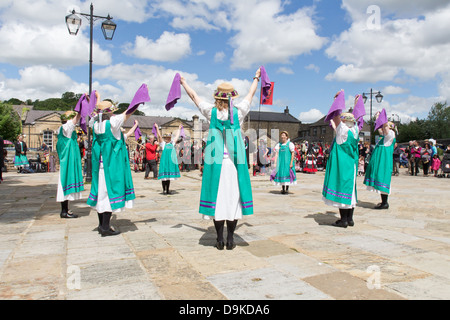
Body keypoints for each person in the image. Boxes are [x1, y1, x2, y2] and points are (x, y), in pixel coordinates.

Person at [180, 68, 260, 250]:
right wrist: (256, 77)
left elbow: (193, 96)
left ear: (217, 97)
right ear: (232, 97)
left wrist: (184, 82)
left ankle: (219, 239)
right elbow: (251, 93)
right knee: (232, 201)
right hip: (233, 164)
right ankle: (230, 239)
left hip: (215, 163)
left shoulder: (211, 112)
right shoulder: (239, 113)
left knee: (217, 199)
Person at [87, 92, 138, 237]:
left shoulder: (95, 124)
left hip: (100, 164)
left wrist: (97, 99)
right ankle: (105, 227)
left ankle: (100, 225)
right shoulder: (113, 124)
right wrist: (138, 100)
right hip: (111, 165)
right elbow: (127, 113)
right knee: (109, 193)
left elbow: (94, 116)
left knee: (100, 194)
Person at [322, 109, 359, 228]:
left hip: (342, 164)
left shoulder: (342, 130)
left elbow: (336, 117)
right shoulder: (355, 130)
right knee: (351, 190)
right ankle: (349, 219)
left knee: (342, 189)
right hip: (351, 164)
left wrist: (337, 101)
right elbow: (337, 123)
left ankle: (343, 220)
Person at [56, 110, 84, 219]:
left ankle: (65, 210)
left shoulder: (62, 129)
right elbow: (75, 120)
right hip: (67, 159)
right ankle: (64, 211)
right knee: (65, 182)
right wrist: (82, 108)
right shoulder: (66, 128)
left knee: (65, 182)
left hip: (67, 159)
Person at [364, 118, 397, 209]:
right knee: (380, 178)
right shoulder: (385, 137)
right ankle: (384, 202)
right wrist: (379, 119)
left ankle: (385, 203)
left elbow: (385, 130)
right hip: (381, 162)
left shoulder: (390, 134)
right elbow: (380, 130)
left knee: (383, 179)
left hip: (384, 162)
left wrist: (383, 120)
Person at [155, 124, 182, 195]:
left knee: (168, 177)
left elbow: (177, 137)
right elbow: (159, 136)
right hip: (164, 162)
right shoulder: (163, 144)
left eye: (169, 137)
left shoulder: (172, 143)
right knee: (164, 177)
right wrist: (157, 128)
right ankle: (164, 189)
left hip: (170, 162)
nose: (168, 138)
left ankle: (167, 190)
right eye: (167, 137)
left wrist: (179, 129)